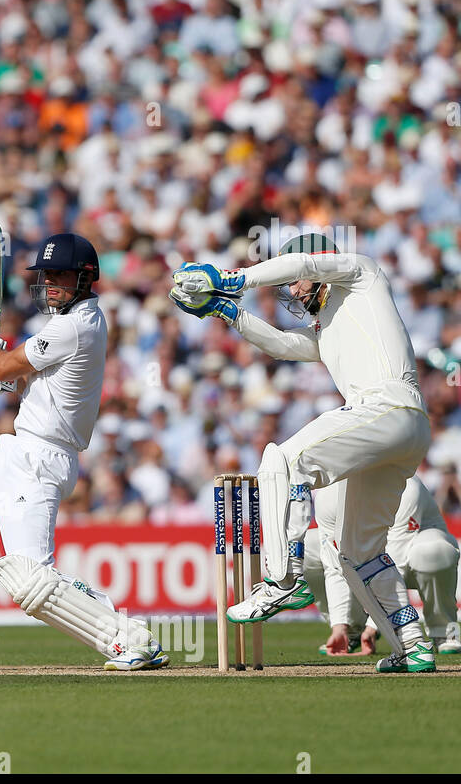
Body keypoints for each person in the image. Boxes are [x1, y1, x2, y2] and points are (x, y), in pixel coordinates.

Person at [0, 232, 169, 670]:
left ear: (86, 278)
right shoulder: (73, 323)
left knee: (29, 582)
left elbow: (4, 363)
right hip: (17, 453)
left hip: (40, 462)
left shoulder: (76, 324)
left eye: (60, 275)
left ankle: (128, 639)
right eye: (46, 276)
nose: (51, 284)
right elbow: (20, 377)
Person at [171, 232, 435, 672]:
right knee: (358, 551)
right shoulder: (327, 324)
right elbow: (286, 347)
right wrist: (229, 312)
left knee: (282, 459)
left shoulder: (363, 274)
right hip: (403, 430)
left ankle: (281, 578)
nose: (292, 292)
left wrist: (232, 277)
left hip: (386, 406)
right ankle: (412, 644)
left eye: (294, 281)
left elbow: (304, 268)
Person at [304, 476, 461, 656]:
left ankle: (446, 632)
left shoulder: (405, 487)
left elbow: (396, 563)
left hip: (411, 557)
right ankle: (351, 632)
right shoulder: (328, 494)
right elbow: (333, 564)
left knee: (432, 551)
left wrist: (374, 627)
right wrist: (339, 625)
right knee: (309, 547)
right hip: (365, 559)